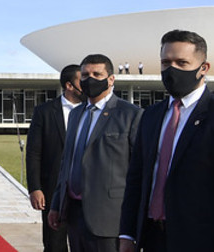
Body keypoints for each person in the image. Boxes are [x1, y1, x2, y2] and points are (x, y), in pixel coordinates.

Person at [119, 30, 214, 252]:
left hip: (200, 242)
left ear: (203, 68)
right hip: (151, 239)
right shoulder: (151, 116)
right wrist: (127, 233)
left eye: (182, 62)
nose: (172, 69)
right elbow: (137, 178)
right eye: (166, 62)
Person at [48, 54, 142, 252]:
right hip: (74, 214)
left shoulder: (130, 115)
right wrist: (56, 204)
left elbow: (138, 173)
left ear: (111, 79)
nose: (90, 79)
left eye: (97, 74)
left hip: (109, 220)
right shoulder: (75, 114)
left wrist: (131, 229)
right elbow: (67, 162)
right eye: (85, 75)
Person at [26, 64, 85, 252]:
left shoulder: (92, 111)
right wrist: (35, 188)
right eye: (81, 81)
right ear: (69, 85)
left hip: (86, 191)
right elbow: (34, 152)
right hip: (53, 189)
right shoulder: (44, 112)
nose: (86, 84)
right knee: (54, 244)